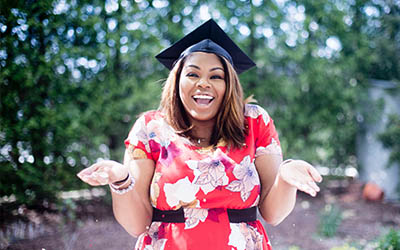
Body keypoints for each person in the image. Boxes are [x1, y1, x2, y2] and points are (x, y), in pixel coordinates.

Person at [77, 19, 322, 250]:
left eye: (216, 76)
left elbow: (273, 213)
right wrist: (121, 180)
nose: (203, 83)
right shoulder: (150, 129)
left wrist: (286, 178)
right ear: (177, 80)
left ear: (229, 86)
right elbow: (136, 224)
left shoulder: (254, 122)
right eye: (193, 74)